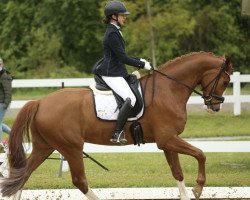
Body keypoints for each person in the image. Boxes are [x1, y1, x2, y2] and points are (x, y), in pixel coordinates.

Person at [92, 0, 152, 144]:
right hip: (110, 72)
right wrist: (141, 63)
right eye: (122, 15)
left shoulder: (115, 31)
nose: (124, 18)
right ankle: (117, 133)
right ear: (114, 16)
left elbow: (121, 55)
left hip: (116, 69)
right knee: (129, 98)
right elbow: (122, 57)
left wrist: (140, 59)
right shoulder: (112, 33)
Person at [0, 58, 12, 142]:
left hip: (2, 103)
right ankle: (14, 134)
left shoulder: (4, 75)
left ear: (1, 65)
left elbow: (8, 91)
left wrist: (5, 104)